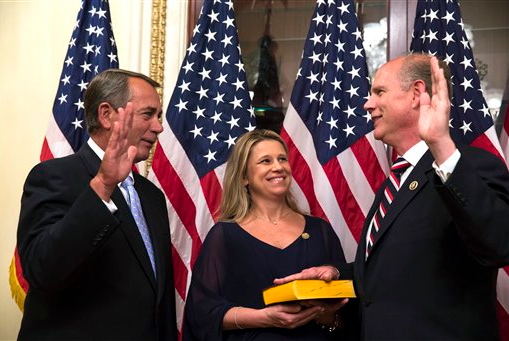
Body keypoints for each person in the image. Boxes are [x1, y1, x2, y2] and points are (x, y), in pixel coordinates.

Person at [275, 53, 509, 340]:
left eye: (379, 92)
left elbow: (499, 243)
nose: (368, 103)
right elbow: (395, 268)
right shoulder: (395, 181)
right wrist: (335, 273)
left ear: (416, 93)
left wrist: (441, 146)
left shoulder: (469, 165)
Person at [16, 69, 178, 340]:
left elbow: (158, 298)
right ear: (106, 115)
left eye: (158, 116)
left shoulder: (152, 195)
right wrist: (102, 185)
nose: (158, 126)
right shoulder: (53, 177)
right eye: (147, 114)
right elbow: (42, 270)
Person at [182, 129, 352, 340]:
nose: (278, 167)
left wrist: (325, 316)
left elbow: (347, 313)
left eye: (282, 159)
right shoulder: (225, 235)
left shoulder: (320, 231)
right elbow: (201, 314)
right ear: (244, 177)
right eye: (265, 161)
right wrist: (264, 317)